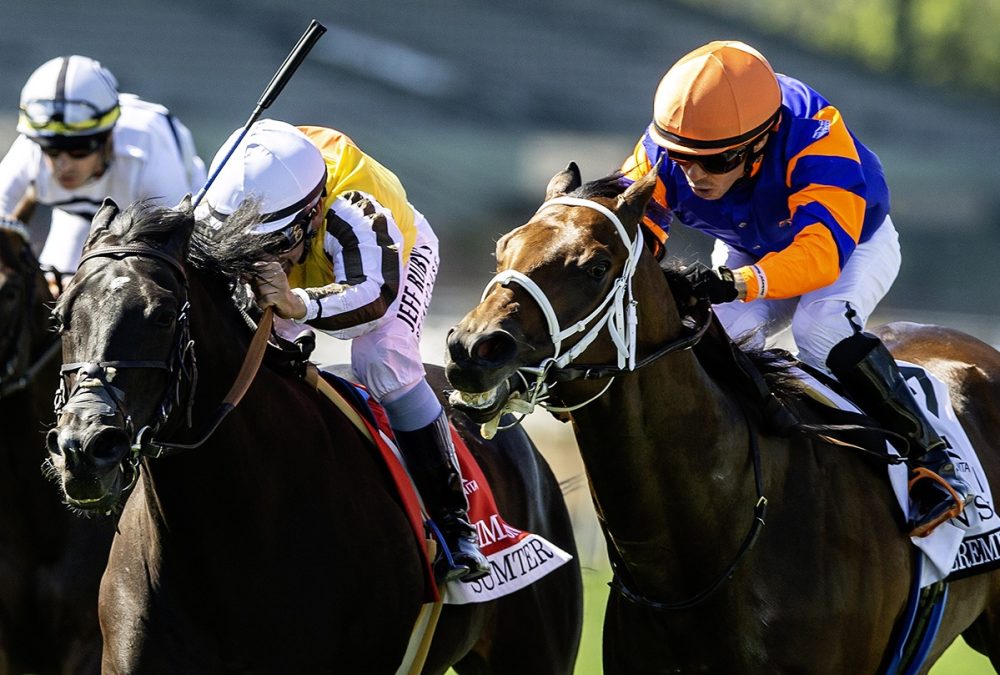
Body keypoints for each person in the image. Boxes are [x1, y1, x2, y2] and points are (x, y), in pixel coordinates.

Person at [620, 40, 969, 537]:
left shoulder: (814, 136)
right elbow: (633, 231)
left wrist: (735, 281)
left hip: (850, 245)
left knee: (819, 327)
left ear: (760, 142)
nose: (693, 174)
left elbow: (820, 256)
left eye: (715, 162)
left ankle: (931, 457)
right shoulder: (665, 150)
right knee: (713, 336)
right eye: (681, 158)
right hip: (753, 245)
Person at [195, 119, 490, 582]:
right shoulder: (219, 200)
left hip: (393, 260)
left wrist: (296, 302)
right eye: (248, 249)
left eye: (274, 245)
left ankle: (454, 522)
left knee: (382, 358)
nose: (264, 262)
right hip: (302, 246)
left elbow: (372, 300)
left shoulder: (354, 211)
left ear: (312, 213)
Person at [0, 55, 206, 293]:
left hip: (163, 221)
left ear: (108, 138)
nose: (62, 165)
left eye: (79, 150)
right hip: (77, 218)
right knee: (55, 294)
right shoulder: (30, 149)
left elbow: (175, 244)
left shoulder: (147, 150)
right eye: (51, 150)